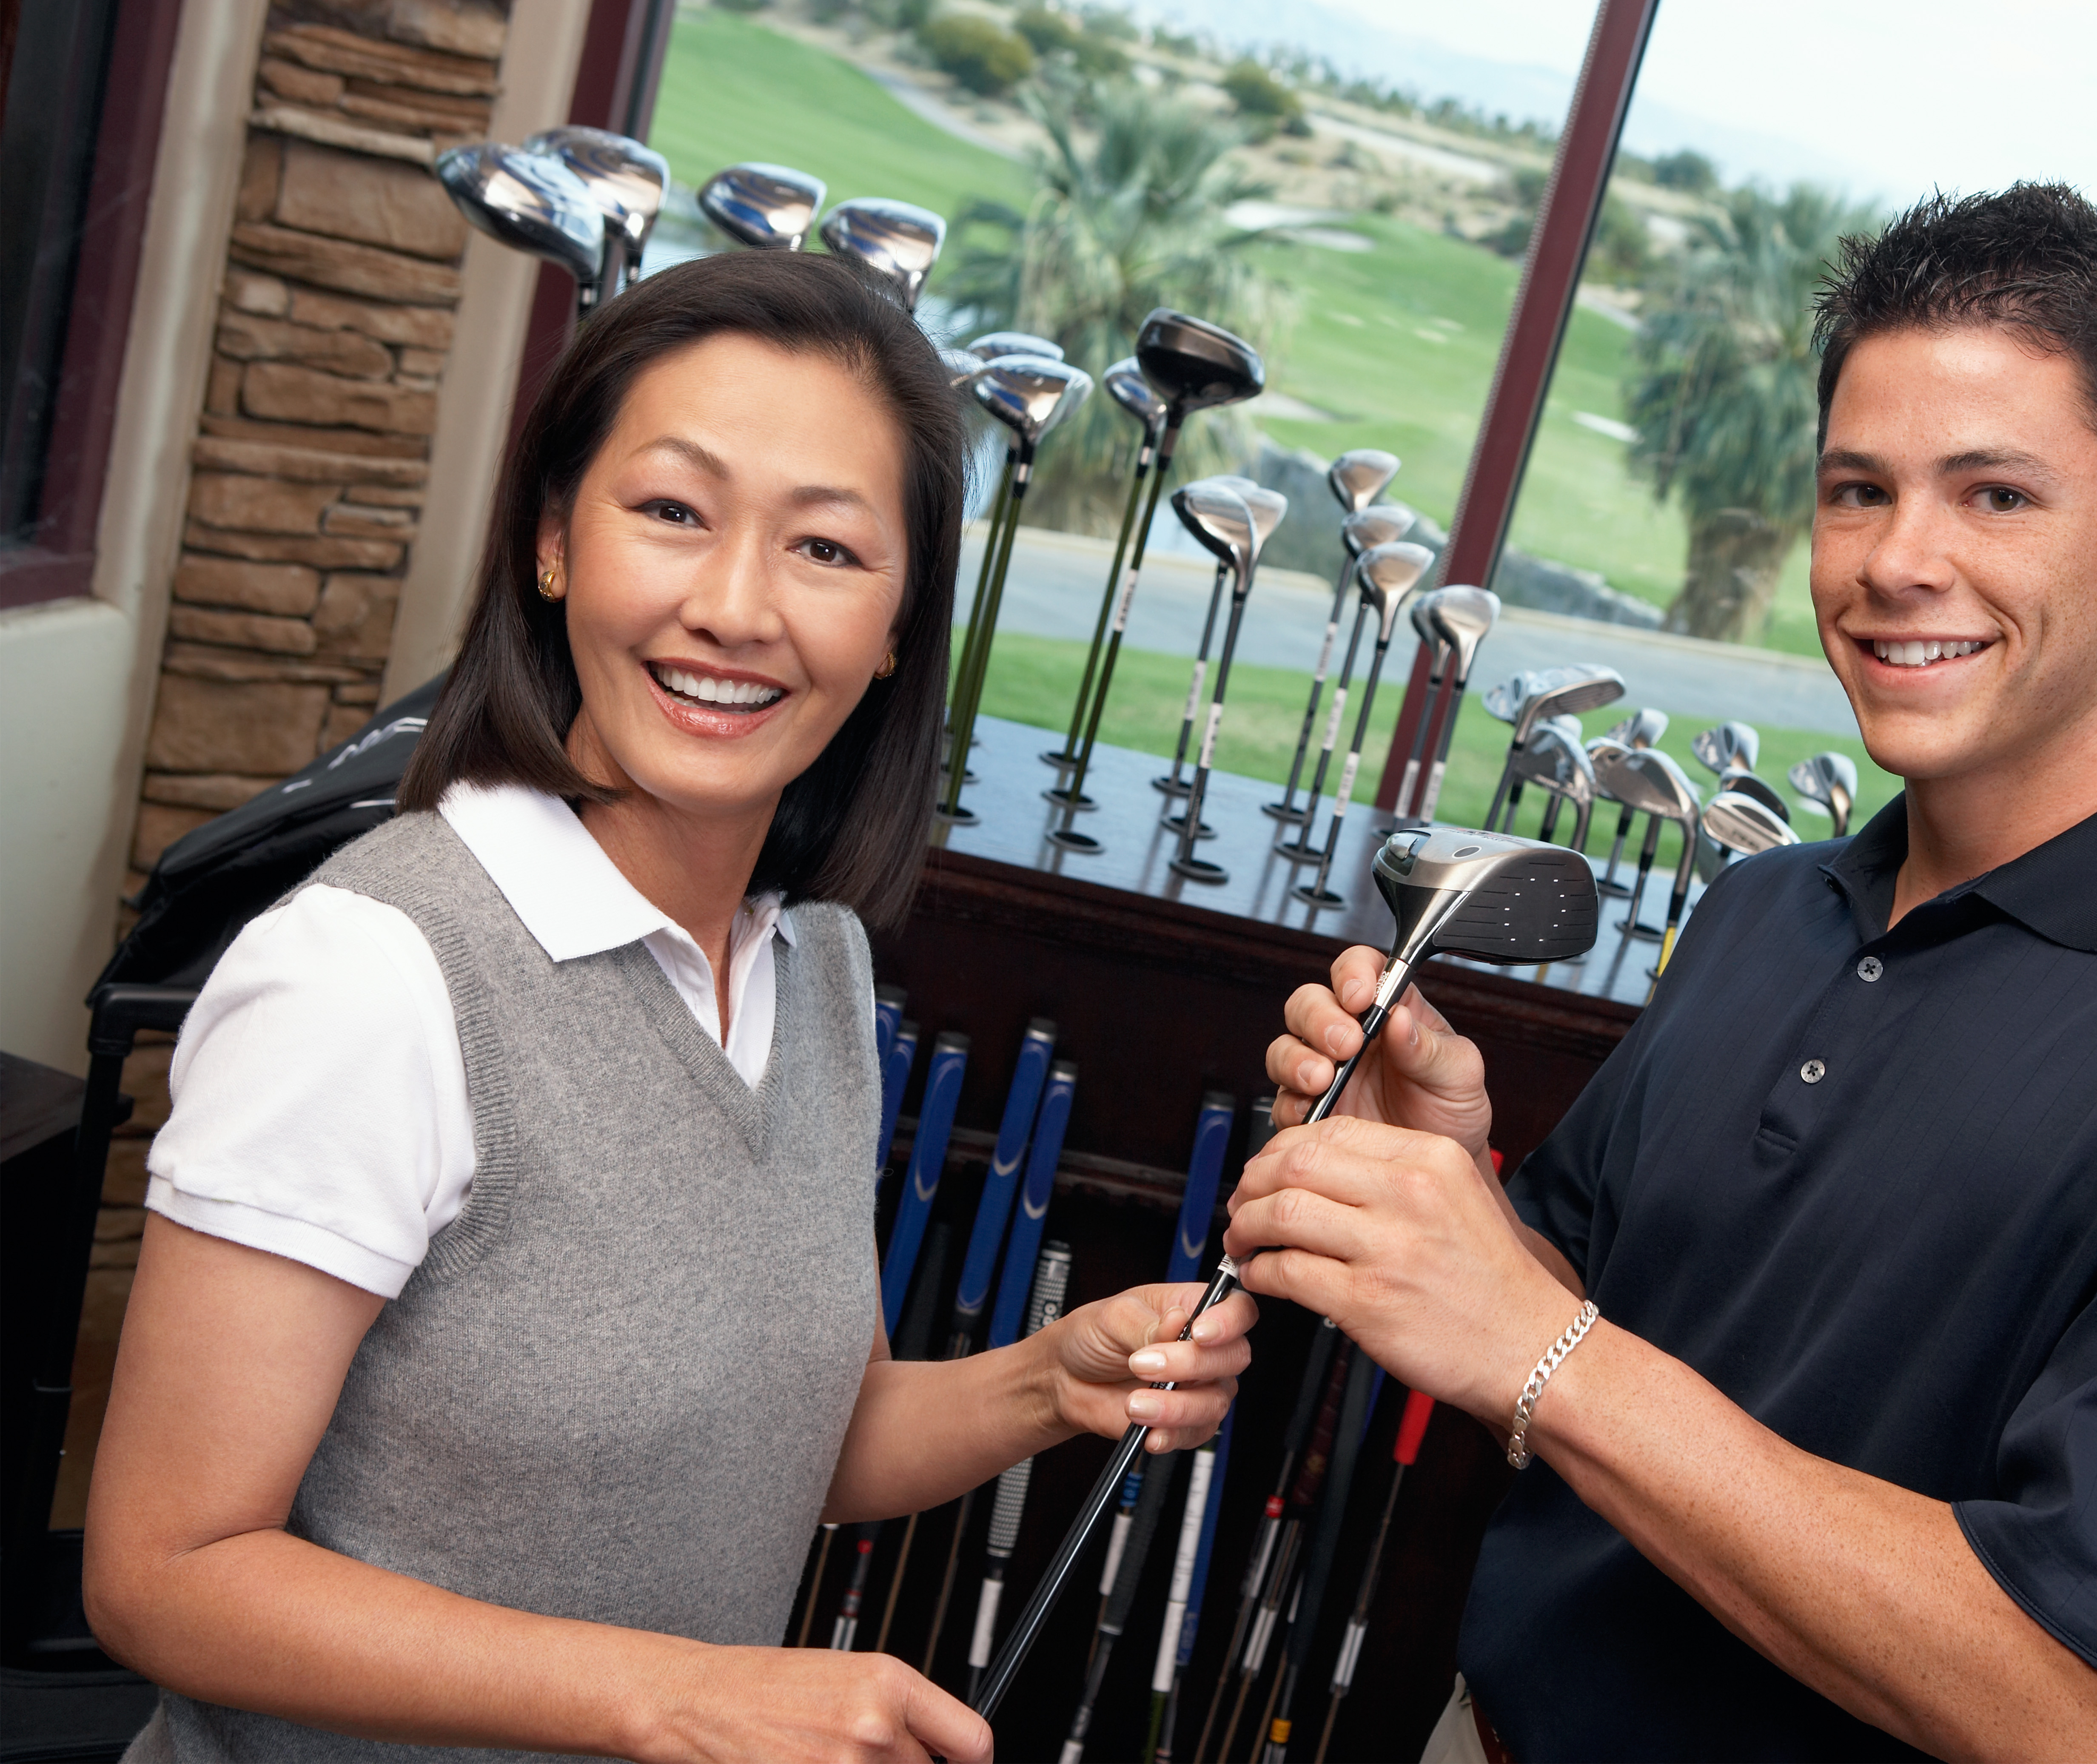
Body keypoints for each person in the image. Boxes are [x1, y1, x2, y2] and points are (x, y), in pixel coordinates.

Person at [1234, 185, 2097, 1762]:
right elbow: (1554, 1352)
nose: (1900, 562)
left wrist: (1544, 1354)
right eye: (1858, 489)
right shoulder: (1765, 910)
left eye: (1997, 495)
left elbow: (2083, 1711)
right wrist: (1448, 1193)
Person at [85, 251, 1254, 1764]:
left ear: (898, 626)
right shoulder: (372, 977)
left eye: (828, 550)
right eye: (672, 512)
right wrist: (679, 1692)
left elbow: (777, 1441)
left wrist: (1049, 1379)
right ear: (554, 540)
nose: (735, 607)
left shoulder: (814, 966)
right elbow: (165, 1575)